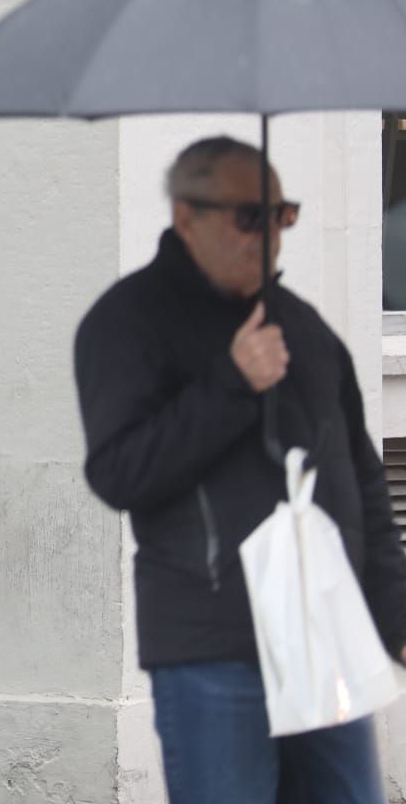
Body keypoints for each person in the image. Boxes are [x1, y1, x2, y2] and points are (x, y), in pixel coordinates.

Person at [74, 136, 406, 803]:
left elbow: (362, 477)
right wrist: (231, 382)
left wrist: (393, 615)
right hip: (213, 639)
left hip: (322, 634)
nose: (269, 236)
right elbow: (119, 473)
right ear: (186, 216)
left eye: (281, 215)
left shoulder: (304, 329)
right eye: (249, 217)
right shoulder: (127, 321)